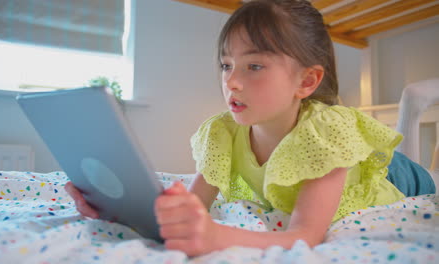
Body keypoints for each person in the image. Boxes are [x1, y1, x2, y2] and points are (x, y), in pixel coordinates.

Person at [65, 0, 436, 257]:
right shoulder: (221, 134)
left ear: (307, 82)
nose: (232, 82)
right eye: (227, 65)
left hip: (402, 176)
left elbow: (305, 235)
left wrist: (215, 236)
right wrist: (117, 209)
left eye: (254, 66)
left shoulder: (327, 135)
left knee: (413, 167)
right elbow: (195, 207)